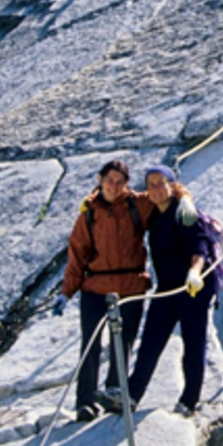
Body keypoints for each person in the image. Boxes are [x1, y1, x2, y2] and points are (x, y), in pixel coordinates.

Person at [123, 163, 219, 418]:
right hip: (166, 287)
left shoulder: (184, 212)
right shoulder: (152, 215)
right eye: (150, 184)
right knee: (151, 340)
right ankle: (132, 395)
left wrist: (195, 271)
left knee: (193, 341)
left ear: (170, 185)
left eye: (160, 183)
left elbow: (200, 247)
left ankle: (190, 399)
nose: (155, 189)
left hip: (193, 287)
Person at [60, 158, 152, 422]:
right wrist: (67, 291)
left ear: (126, 184)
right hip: (96, 287)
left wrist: (186, 199)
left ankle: (113, 393)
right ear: (100, 180)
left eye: (120, 181)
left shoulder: (137, 204)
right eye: (110, 180)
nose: (114, 186)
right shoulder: (89, 213)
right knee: (90, 343)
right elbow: (77, 255)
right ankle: (85, 401)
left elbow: (169, 190)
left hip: (131, 286)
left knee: (121, 343)